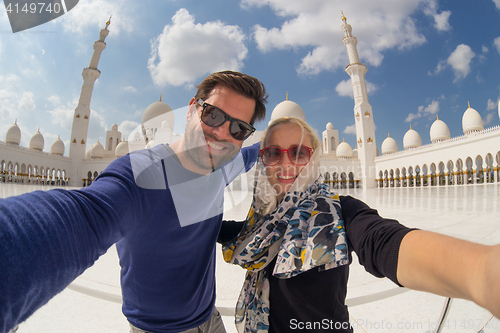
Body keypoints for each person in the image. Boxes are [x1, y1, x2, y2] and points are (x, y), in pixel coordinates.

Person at [0, 70, 268, 333]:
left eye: (239, 128)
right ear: (191, 110)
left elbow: (252, 153)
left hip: (209, 319)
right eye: (213, 114)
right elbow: (79, 218)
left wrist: (286, 139)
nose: (222, 132)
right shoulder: (142, 175)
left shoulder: (222, 167)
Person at [219, 117, 500, 333]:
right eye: (273, 153)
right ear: (263, 162)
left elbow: (382, 241)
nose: (286, 163)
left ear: (314, 159)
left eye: (299, 152)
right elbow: (236, 233)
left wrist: (480, 272)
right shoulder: (263, 221)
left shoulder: (340, 212)